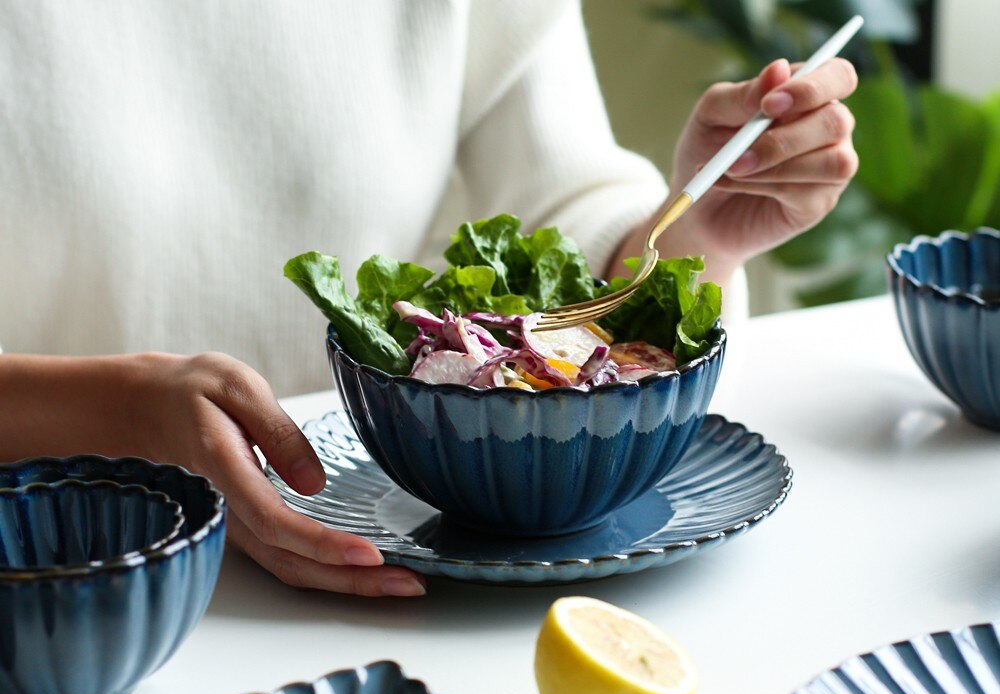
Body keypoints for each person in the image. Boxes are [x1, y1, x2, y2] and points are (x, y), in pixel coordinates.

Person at [0, 1, 858, 597]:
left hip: (408, 575)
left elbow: (561, 207)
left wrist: (702, 233)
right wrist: (101, 414)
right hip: (56, 578)